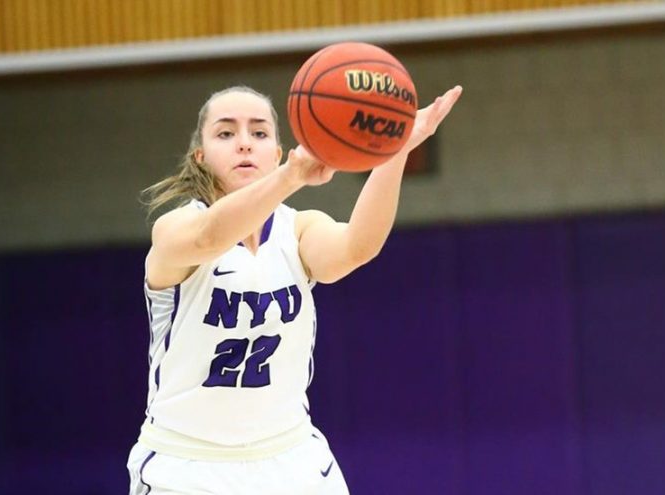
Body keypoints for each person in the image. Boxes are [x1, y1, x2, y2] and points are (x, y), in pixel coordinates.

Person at [128, 83, 462, 495]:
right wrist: (292, 176)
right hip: (188, 464)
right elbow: (210, 237)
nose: (245, 144)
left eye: (259, 132)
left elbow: (358, 247)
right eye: (226, 133)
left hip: (289, 458)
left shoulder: (298, 229)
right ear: (200, 155)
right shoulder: (176, 228)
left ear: (276, 151)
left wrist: (396, 151)